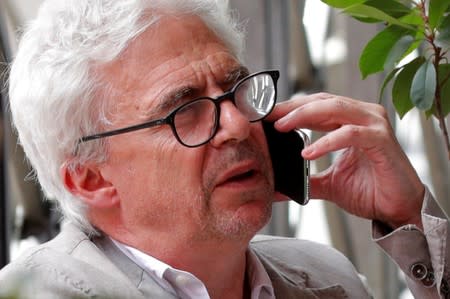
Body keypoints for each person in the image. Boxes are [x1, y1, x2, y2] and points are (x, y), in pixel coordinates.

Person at [0, 0, 448, 298]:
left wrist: (408, 218)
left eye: (236, 89)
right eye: (186, 108)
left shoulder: (326, 276)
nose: (236, 124)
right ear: (91, 178)